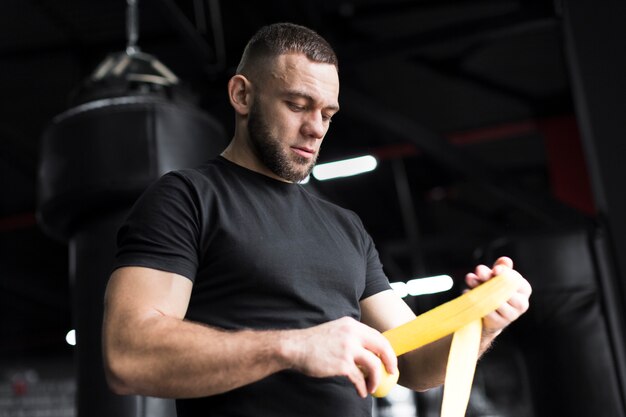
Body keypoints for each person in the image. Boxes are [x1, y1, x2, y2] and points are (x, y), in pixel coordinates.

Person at [102, 22, 532, 417]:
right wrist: (294, 346)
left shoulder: (346, 227)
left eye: (327, 113)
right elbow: (129, 354)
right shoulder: (186, 198)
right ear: (242, 95)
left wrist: (481, 323)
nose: (316, 129)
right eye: (297, 105)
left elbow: (414, 362)